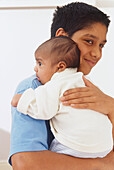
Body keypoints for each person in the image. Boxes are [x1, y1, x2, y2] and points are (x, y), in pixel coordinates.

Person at [9, 2, 114, 170]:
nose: (97, 53)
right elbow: (25, 163)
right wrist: (102, 164)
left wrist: (112, 108)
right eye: (89, 41)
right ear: (62, 37)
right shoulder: (32, 89)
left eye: (101, 45)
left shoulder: (88, 88)